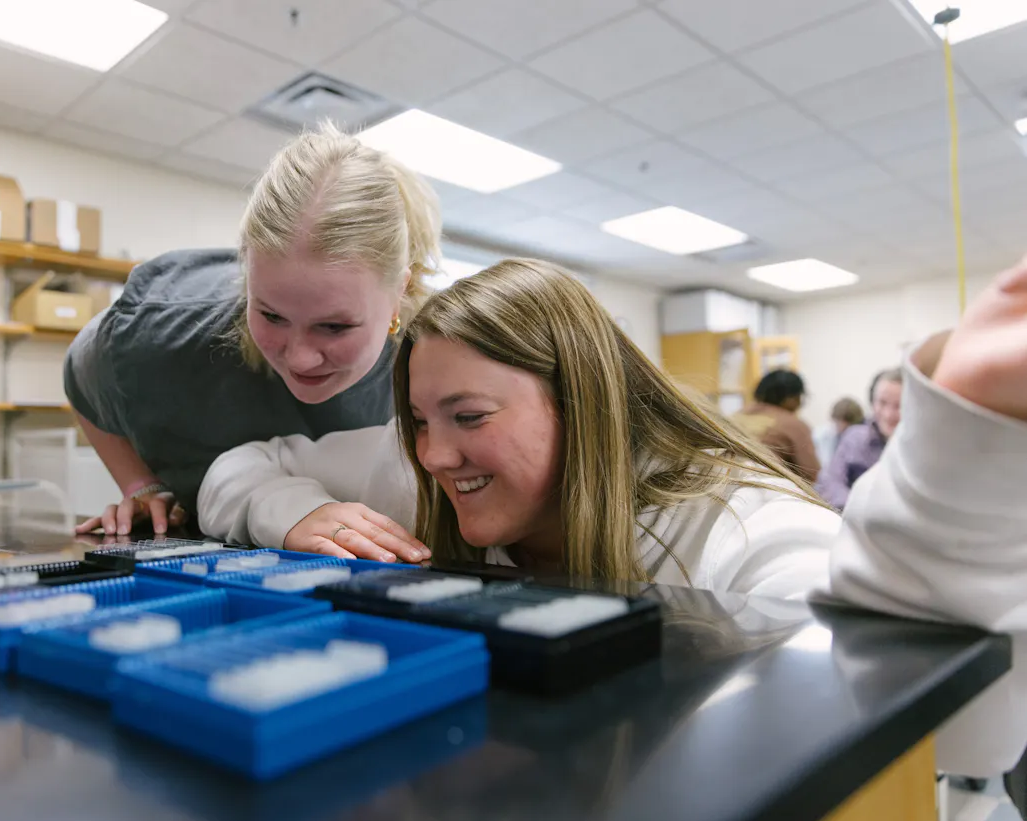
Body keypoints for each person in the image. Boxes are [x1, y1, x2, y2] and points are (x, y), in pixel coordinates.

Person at [199, 255, 1027, 776]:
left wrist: (963, 456)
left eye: (469, 417)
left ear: (581, 403)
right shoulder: (421, 473)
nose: (435, 454)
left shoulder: (730, 523)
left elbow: (959, 740)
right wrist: (292, 513)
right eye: (419, 421)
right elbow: (239, 467)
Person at [65, 124, 442, 538]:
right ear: (247, 277)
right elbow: (79, 373)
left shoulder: (433, 358)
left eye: (334, 326)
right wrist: (142, 486)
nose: (300, 357)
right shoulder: (162, 329)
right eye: (271, 315)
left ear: (399, 292)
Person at [815, 368, 903, 510]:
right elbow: (831, 480)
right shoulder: (854, 437)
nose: (888, 415)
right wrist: (857, 508)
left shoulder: (923, 445)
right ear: (873, 403)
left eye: (898, 406)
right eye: (882, 403)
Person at [733, 370, 821, 482]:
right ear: (791, 398)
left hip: (724, 487)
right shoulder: (793, 424)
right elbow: (811, 473)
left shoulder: (736, 416)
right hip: (768, 489)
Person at [813, 397, 865, 469]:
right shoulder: (820, 435)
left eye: (845, 423)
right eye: (838, 422)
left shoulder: (861, 438)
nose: (841, 427)